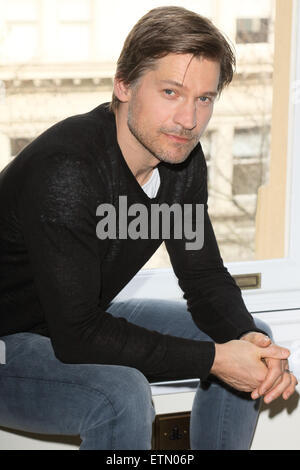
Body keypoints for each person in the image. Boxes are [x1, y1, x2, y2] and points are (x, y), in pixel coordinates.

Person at [0, 6, 297, 450]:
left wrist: (245, 341)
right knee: (121, 396)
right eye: (171, 92)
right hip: (9, 338)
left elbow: (203, 276)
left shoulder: (180, 161)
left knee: (250, 335)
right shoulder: (68, 170)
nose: (189, 119)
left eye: (204, 98)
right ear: (124, 84)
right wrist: (216, 360)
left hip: (75, 314)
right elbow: (78, 337)